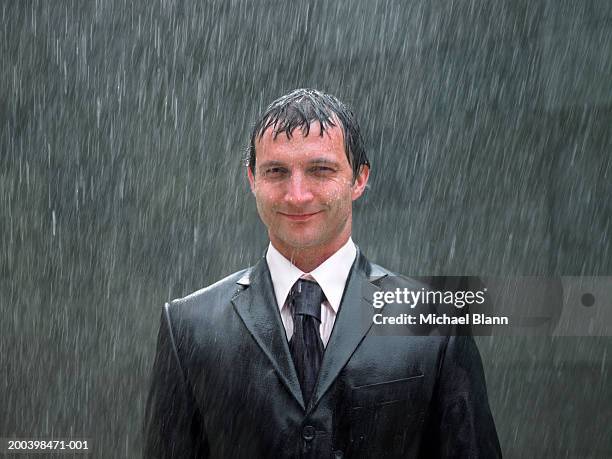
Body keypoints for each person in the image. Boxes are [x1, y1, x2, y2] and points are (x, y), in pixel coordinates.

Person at [143, 88, 502, 458]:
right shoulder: (188, 327)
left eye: (320, 170)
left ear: (359, 179)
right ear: (252, 180)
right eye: (276, 171)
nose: (297, 195)